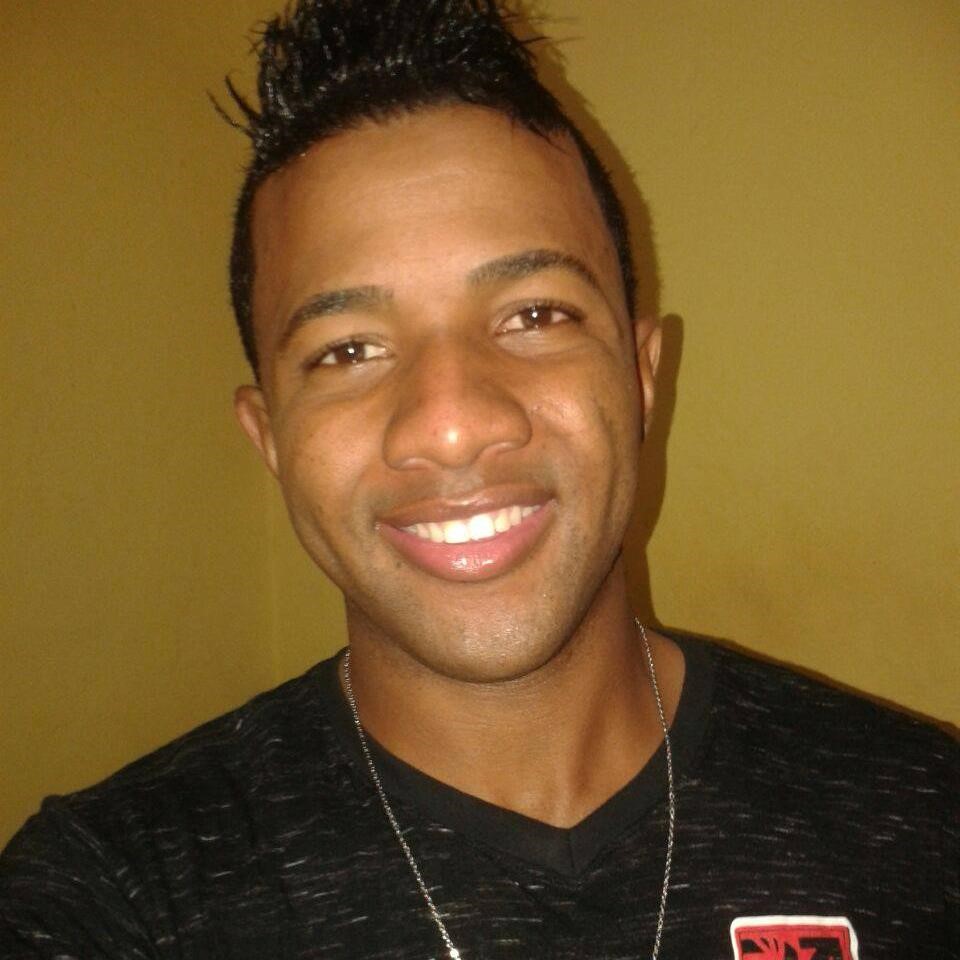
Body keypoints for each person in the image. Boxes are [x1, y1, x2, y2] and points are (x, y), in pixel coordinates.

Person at [1, 2, 956, 958]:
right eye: (348, 349)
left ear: (641, 377)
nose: (452, 424)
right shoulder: (115, 895)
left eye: (535, 315)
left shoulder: (927, 828)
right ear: (271, 438)